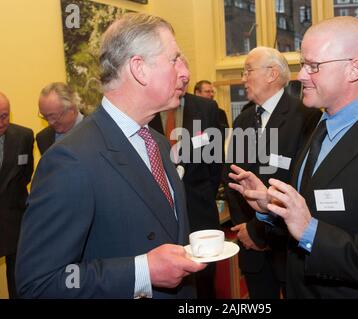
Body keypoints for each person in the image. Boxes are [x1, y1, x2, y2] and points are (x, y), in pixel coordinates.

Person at [228, 17, 358, 298]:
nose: (301, 76)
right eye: (303, 65)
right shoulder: (319, 128)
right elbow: (312, 210)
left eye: (314, 66)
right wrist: (271, 205)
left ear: (354, 69)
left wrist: (312, 232)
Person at [16, 13, 206, 299]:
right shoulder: (71, 160)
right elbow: (40, 283)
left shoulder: (158, 144)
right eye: (174, 59)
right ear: (139, 69)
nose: (185, 72)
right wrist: (142, 271)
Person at [224, 46, 321, 299]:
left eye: (248, 71)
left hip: (287, 249)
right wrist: (245, 229)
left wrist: (261, 231)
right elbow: (232, 178)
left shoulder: (307, 118)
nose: (243, 78)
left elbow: (302, 186)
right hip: (251, 247)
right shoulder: (243, 120)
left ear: (271, 74)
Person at [149, 60, 223, 299]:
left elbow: (215, 162)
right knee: (167, 279)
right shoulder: (147, 108)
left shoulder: (206, 108)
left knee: (204, 279)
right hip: (158, 210)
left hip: (199, 207)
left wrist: (203, 194)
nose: (183, 78)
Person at [0, 92, 34, 299]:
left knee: (17, 281)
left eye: (5, 115)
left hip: (15, 220)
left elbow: (26, 174)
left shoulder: (24, 136)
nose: (1, 122)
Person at [36, 82, 84, 155]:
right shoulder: (43, 139)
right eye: (45, 117)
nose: (50, 122)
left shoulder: (97, 130)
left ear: (72, 109)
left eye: (53, 117)